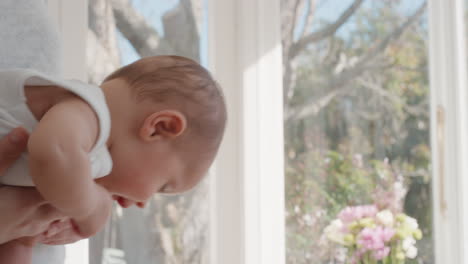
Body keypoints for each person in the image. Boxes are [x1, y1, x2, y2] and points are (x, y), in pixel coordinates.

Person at [0, 55, 227, 263]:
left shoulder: (80, 162)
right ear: (160, 128)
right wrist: (90, 207)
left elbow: (19, 238)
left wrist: (30, 232)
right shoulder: (88, 110)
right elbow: (53, 151)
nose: (142, 202)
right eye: (162, 186)